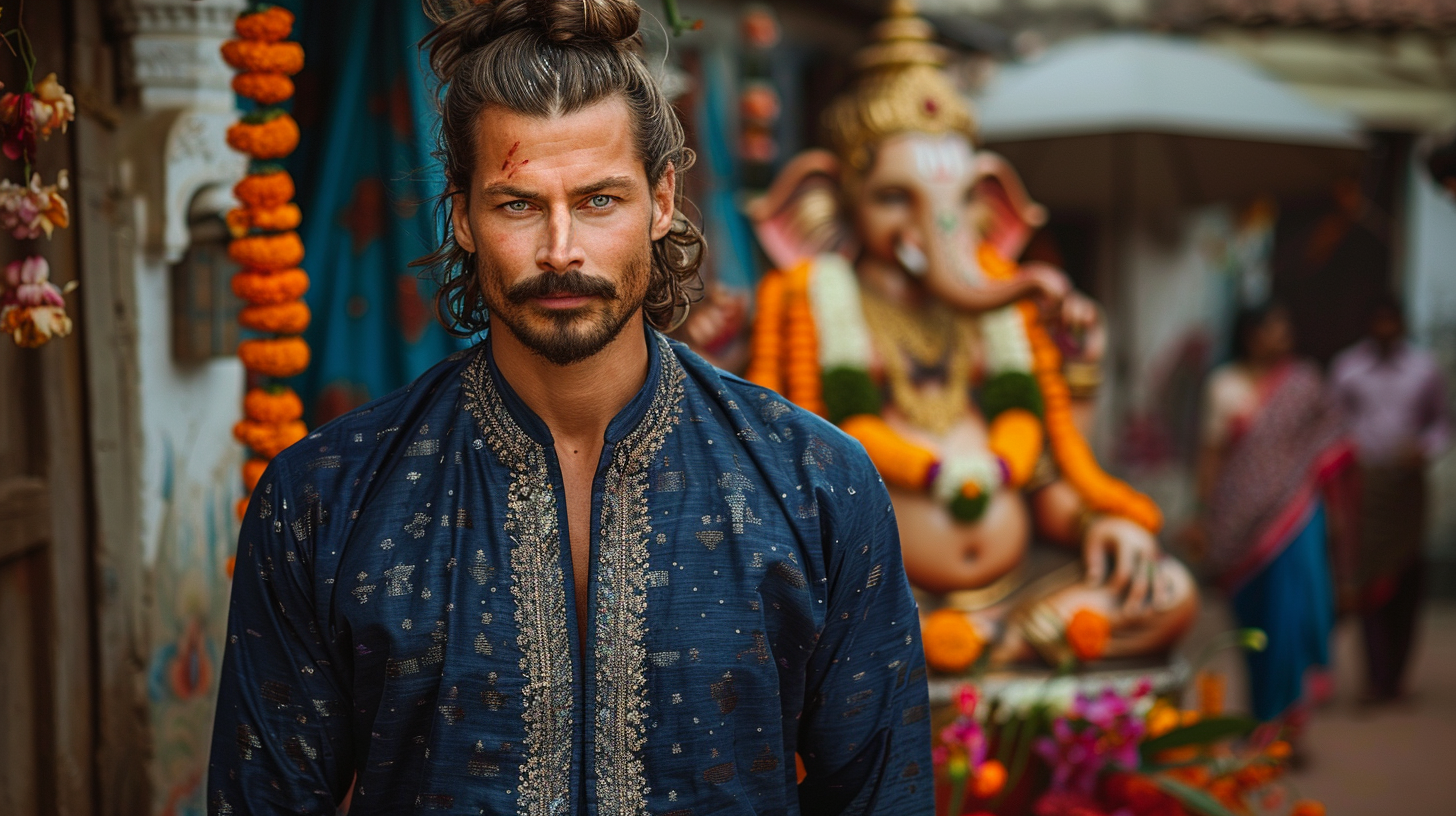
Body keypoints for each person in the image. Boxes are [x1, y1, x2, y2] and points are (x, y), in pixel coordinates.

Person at [206, 2, 932, 814]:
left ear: (661, 203)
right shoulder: (325, 500)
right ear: (463, 217)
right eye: (519, 204)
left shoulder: (814, 484)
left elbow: (882, 796)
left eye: (598, 201)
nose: (560, 250)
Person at [1194, 303, 1353, 723]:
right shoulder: (1224, 385)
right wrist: (1204, 515)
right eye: (1275, 329)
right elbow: (1212, 455)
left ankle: (1290, 720)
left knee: (1292, 615)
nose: (1284, 337)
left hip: (1296, 515)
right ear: (1251, 334)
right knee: (1253, 621)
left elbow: (1328, 445)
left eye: (1286, 329)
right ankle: (1262, 716)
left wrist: (1335, 511)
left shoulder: (1304, 383)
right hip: (1237, 521)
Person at [1331, 295, 1451, 704]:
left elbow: (1442, 424)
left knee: (1406, 579)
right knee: (1368, 580)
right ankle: (1375, 675)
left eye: (1391, 322)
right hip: (1366, 486)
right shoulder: (1347, 369)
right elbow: (1333, 424)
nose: (1384, 329)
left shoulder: (1425, 369)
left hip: (1408, 487)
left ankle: (1397, 676)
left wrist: (1426, 449)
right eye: (1377, 322)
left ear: (1401, 324)